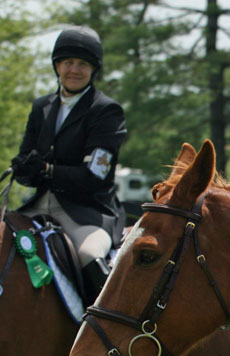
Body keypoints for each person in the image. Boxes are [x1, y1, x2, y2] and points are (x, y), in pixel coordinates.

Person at [10, 25, 127, 303]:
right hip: (38, 206)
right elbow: (29, 160)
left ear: (93, 69)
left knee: (89, 255)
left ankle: (108, 330)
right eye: (68, 63)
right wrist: (25, 170)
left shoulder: (106, 111)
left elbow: (95, 177)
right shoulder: (42, 107)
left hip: (85, 211)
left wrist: (49, 170)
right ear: (57, 66)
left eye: (82, 64)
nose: (74, 70)